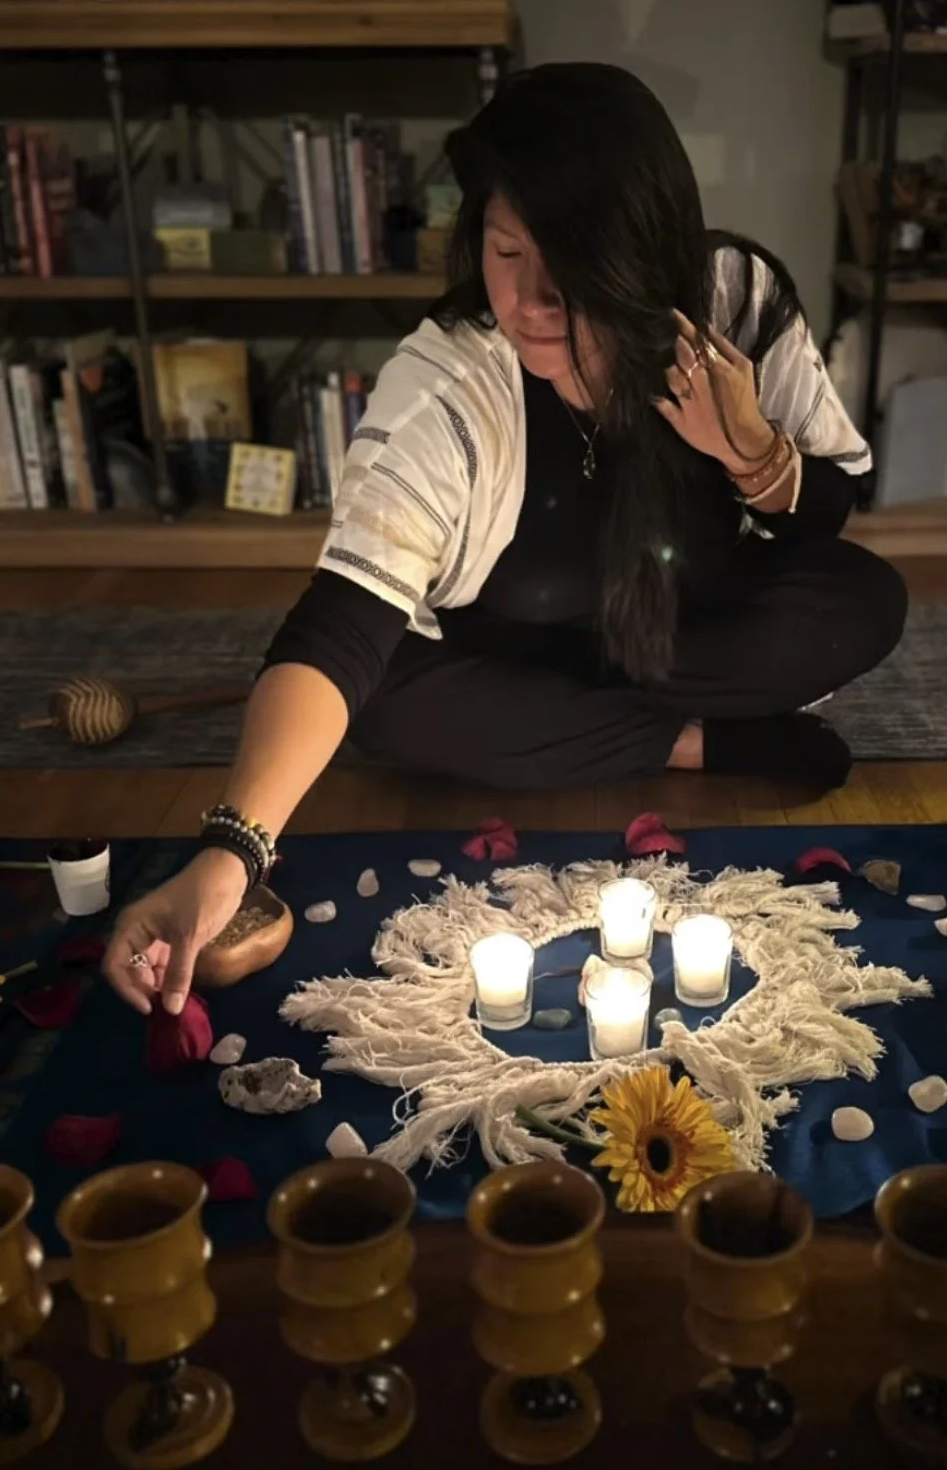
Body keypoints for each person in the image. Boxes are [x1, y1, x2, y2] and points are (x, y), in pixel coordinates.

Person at [104, 62, 906, 1017]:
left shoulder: (732, 300)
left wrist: (748, 449)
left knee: (862, 599)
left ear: (642, 254)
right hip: (515, 655)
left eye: (570, 262)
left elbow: (828, 508)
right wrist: (230, 853)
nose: (529, 299)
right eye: (506, 250)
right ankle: (695, 742)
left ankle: (617, 725)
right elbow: (341, 626)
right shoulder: (447, 385)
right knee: (383, 699)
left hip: (676, 630)